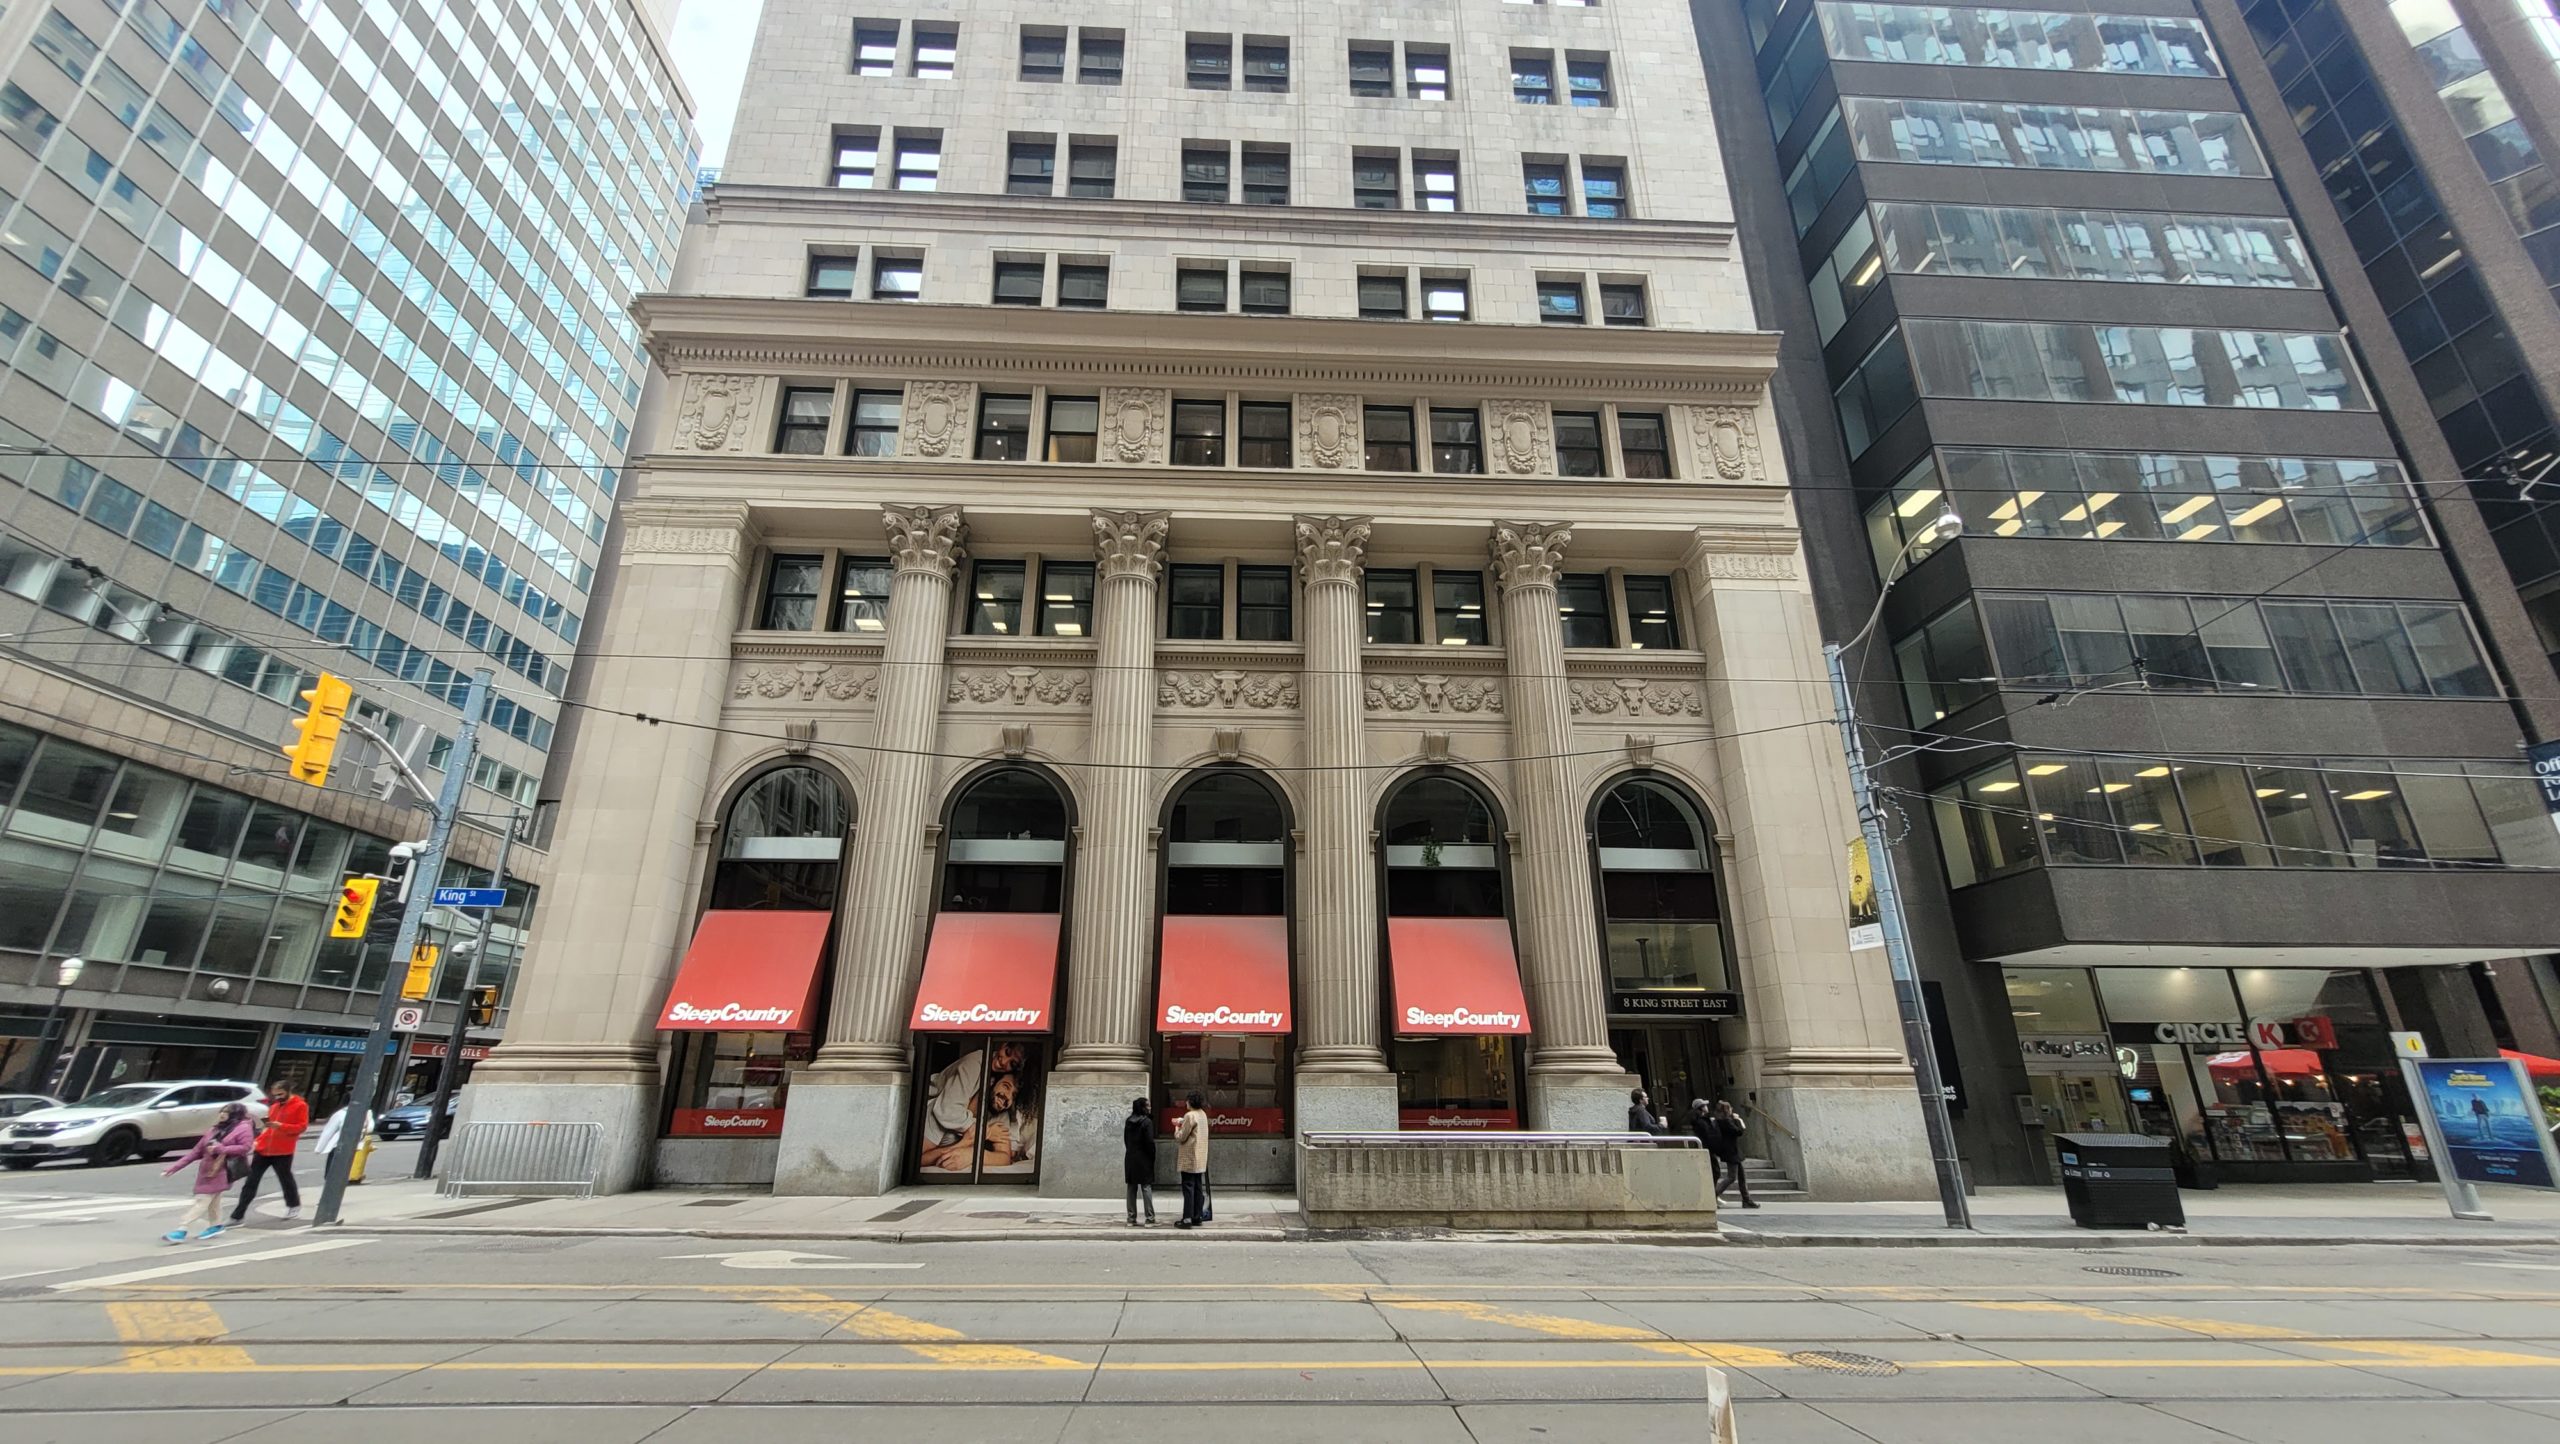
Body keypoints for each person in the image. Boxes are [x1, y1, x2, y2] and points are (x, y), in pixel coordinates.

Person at [162, 1102, 255, 1243]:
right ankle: (216, 1225)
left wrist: (221, 1149)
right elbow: (196, 1151)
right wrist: (174, 1167)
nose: (223, 1114)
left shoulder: (243, 1128)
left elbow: (245, 1148)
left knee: (203, 1200)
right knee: (213, 1200)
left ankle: (182, 1229)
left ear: (235, 1114)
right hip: (207, 1170)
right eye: (222, 1111)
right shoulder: (215, 1129)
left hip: (222, 1169)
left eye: (227, 1112)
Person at [231, 1080, 309, 1223]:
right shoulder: (274, 1107)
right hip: (264, 1149)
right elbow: (268, 1128)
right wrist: (260, 1139)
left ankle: (293, 1205)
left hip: (283, 1150)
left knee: (285, 1179)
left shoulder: (300, 1106)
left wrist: (281, 1126)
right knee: (251, 1181)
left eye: (280, 1094)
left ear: (288, 1091)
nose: (278, 1098)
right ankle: (238, 1215)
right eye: (275, 1095)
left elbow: (301, 1127)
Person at [1708, 1099, 1758, 1209]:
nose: (1732, 1110)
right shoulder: (1726, 1121)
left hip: (1732, 1151)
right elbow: (1738, 1131)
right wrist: (1739, 1120)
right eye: (1730, 1108)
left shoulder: (1720, 1120)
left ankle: (1746, 1199)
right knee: (1731, 1177)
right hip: (1731, 1151)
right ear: (1727, 1110)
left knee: (1741, 1176)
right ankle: (1712, 1196)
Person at [1174, 1091, 1210, 1229]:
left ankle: (1187, 1218)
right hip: (1200, 1156)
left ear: (1191, 1102)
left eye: (1187, 1100)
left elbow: (1181, 1137)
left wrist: (1177, 1126)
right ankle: (1197, 1216)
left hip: (1189, 1157)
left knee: (1188, 1187)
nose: (1186, 1103)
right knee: (1197, 1187)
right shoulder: (1202, 1114)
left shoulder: (1189, 1115)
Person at [1123, 1096, 1157, 1227]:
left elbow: (1126, 1140)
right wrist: (1152, 1156)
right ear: (1142, 1108)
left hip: (1131, 1157)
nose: (1150, 1108)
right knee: (1146, 1187)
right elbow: (1149, 1142)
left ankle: (1131, 1218)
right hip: (1144, 1159)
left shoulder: (1128, 1121)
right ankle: (1150, 1218)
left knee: (1131, 1187)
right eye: (1147, 1106)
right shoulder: (1146, 1122)